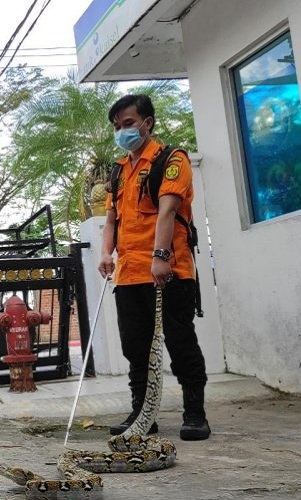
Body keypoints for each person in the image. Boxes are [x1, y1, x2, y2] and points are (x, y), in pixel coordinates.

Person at [98, 94, 211, 441]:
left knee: (180, 343)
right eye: (117, 127)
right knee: (136, 348)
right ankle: (143, 414)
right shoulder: (119, 170)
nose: (123, 131)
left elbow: (166, 211)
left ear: (147, 123)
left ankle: (195, 413)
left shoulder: (171, 160)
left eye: (128, 123)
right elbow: (111, 219)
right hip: (129, 274)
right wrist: (106, 253)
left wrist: (160, 257)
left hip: (169, 271)